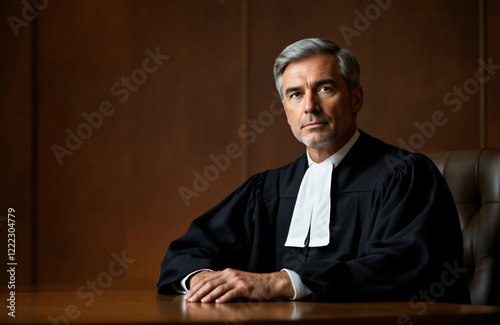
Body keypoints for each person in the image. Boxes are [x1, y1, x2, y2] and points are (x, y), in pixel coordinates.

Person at [157, 38, 471, 304]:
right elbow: (188, 250)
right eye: (295, 94)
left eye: (324, 89)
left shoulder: (406, 176)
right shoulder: (267, 190)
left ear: (356, 99)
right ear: (286, 111)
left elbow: (405, 266)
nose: (309, 106)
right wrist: (204, 280)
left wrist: (283, 282)